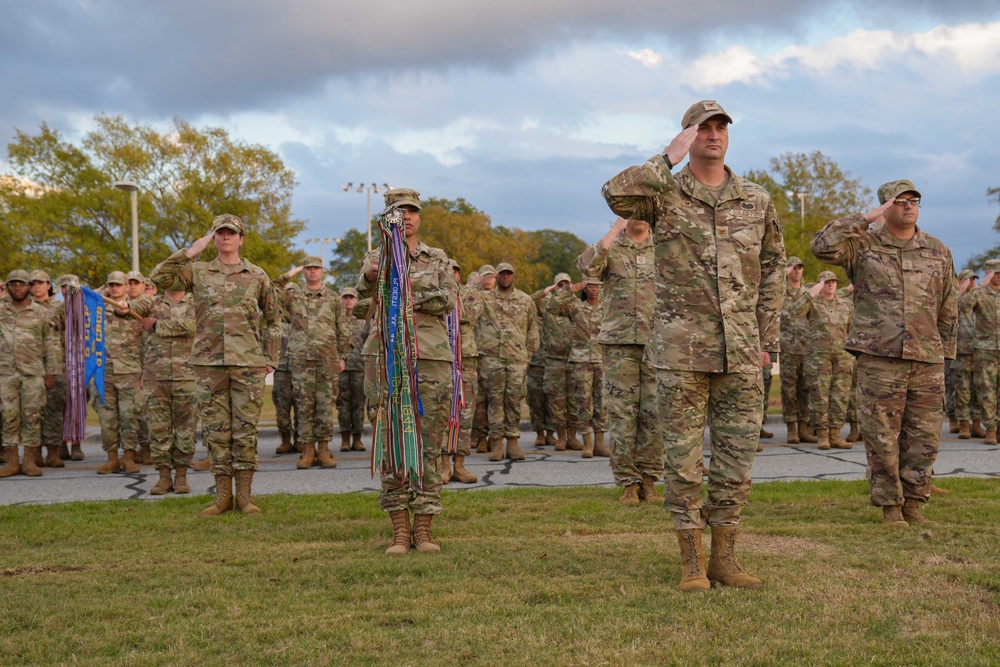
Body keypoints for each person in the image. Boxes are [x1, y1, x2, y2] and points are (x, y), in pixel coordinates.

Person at [602, 100, 784, 591]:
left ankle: (725, 556)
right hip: (680, 351)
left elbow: (772, 270)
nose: (714, 133)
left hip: (743, 351)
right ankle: (691, 560)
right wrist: (666, 157)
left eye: (721, 126)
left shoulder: (756, 199)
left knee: (735, 458)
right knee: (681, 461)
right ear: (688, 134)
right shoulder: (664, 193)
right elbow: (615, 195)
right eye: (703, 126)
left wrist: (767, 339)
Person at [811, 180, 957, 528]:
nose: (909, 206)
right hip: (880, 357)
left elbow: (949, 304)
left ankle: (915, 504)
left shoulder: (937, 250)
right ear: (885, 206)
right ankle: (891, 507)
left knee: (924, 437)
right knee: (881, 435)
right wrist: (863, 218)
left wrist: (945, 353)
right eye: (900, 201)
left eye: (914, 201)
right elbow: (821, 246)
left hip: (927, 358)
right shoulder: (862, 246)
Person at [150, 213, 283, 517]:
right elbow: (157, 277)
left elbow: (274, 319)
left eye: (231, 233)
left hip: (247, 363)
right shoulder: (196, 272)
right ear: (213, 238)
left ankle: (246, 497)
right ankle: (222, 497)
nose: (225, 237)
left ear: (241, 238)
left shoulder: (257, 275)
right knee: (216, 431)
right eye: (219, 233)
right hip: (209, 364)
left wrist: (270, 358)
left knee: (246, 430)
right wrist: (188, 253)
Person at [356, 188, 458, 555]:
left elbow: (448, 299)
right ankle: (399, 529)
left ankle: (424, 528)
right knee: (390, 440)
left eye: (413, 210)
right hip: (385, 358)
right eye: (401, 211)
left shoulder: (438, 258)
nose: (408, 216)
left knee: (429, 443)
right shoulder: (374, 257)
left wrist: (403, 284)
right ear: (389, 218)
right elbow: (359, 302)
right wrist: (374, 277)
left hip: (430, 358)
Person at [578, 216, 661, 503]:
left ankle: (649, 480)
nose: (637, 213)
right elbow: (587, 266)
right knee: (622, 416)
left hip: (657, 342)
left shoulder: (663, 245)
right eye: (631, 207)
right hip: (619, 344)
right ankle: (628, 482)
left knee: (654, 416)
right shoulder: (611, 247)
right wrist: (614, 229)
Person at [274, 257, 352, 470]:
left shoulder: (333, 298)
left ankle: (324, 449)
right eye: (308, 269)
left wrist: (343, 356)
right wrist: (288, 274)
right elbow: (271, 289)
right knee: (304, 405)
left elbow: (342, 327)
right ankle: (308, 449)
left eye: (316, 268)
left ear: (322, 271)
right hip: (301, 361)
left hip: (327, 359)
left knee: (326, 405)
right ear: (303, 272)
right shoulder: (294, 297)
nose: (312, 272)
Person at [125, 288, 197, 494]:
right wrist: (123, 309)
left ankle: (181, 476)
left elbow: (195, 326)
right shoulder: (150, 303)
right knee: (158, 430)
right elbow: (129, 309)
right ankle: (164, 477)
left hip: (187, 376)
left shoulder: (197, 302)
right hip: (155, 377)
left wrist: (156, 324)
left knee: (186, 430)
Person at [0, 270, 61, 478]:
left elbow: (52, 345)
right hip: (5, 374)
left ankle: (29, 460)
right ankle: (11, 461)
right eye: (13, 284)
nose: (17, 287)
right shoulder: (1, 312)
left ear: (29, 286)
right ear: (7, 287)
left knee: (32, 416)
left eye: (22, 284)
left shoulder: (42, 314)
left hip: (33, 374)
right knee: (8, 416)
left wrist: (52, 373)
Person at [477, 262, 539, 462]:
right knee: (494, 401)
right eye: (501, 274)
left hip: (516, 359)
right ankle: (496, 444)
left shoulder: (525, 300)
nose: (505, 277)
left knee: (513, 401)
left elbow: (533, 330)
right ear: (496, 276)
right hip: (491, 358)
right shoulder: (485, 298)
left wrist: (528, 356)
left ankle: (512, 442)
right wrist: (480, 280)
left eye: (508, 274)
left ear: (513, 276)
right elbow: (463, 301)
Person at [789, 271, 854, 450]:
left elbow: (850, 329)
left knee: (840, 396)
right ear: (819, 285)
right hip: (819, 357)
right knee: (820, 396)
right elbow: (794, 311)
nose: (830, 285)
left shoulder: (845, 305)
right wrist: (811, 294)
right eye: (826, 282)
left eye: (833, 282)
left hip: (842, 356)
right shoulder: (813, 304)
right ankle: (822, 435)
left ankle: (835, 434)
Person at [548, 278, 609, 458]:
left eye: (598, 285)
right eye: (590, 285)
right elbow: (551, 307)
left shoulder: (607, 308)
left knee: (602, 403)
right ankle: (587, 444)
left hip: (602, 360)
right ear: (585, 287)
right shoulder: (576, 308)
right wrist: (569, 290)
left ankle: (600, 443)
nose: (594, 289)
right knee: (583, 402)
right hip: (581, 360)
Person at [95, 271, 147, 474]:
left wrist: (145, 372)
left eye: (119, 285)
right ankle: (112, 458)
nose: (115, 288)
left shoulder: (136, 310)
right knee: (107, 418)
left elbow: (145, 343)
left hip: (130, 372)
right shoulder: (97, 310)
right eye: (111, 285)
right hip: (104, 371)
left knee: (129, 416)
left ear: (126, 286)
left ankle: (129, 457)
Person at [443, 262, 483, 483]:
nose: (451, 274)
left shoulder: (472, 294)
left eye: (454, 271)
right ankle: (442, 465)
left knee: (465, 415)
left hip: (465, 361)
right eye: (446, 271)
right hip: (440, 361)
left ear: (459, 275)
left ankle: (459, 464)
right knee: (440, 414)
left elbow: (467, 314)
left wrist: (453, 295)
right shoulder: (433, 295)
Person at [30, 269, 70, 466]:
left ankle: (53, 452)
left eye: (41, 282)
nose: (36, 286)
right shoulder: (22, 307)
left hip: (55, 364)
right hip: (29, 366)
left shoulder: (59, 307)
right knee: (33, 412)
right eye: (33, 283)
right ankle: (34, 452)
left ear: (49, 285)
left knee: (54, 410)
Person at [535, 273, 577, 450]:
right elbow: (528, 302)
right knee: (556, 400)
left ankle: (573, 437)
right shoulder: (546, 304)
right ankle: (560, 436)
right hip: (553, 359)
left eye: (567, 284)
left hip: (575, 359)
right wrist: (545, 292)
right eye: (560, 285)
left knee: (575, 400)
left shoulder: (576, 304)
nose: (563, 287)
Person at [961, 260, 1000, 445]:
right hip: (985, 350)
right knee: (986, 391)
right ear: (989, 274)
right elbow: (962, 307)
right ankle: (990, 429)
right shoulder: (980, 294)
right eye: (996, 273)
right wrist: (978, 288)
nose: (999, 276)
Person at [779, 258, 816, 445]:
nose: (797, 271)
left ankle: (804, 428)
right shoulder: (781, 292)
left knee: (805, 389)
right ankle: (791, 429)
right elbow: (787, 315)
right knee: (789, 390)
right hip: (787, 347)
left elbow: (812, 318)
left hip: (806, 347)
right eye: (794, 268)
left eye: (800, 268)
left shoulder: (807, 292)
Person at [337, 287, 368, 453]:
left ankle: (357, 438)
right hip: (341, 368)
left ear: (357, 300)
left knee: (358, 404)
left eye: (351, 297)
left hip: (359, 367)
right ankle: (344, 439)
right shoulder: (337, 320)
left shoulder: (363, 321)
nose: (348, 301)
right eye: (345, 297)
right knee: (342, 404)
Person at [954, 270, 984, 439]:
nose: (972, 282)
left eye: (974, 279)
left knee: (978, 390)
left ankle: (977, 424)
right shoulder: (954, 299)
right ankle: (964, 424)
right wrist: (960, 291)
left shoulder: (980, 300)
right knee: (962, 390)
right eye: (968, 279)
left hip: (979, 350)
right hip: (960, 351)